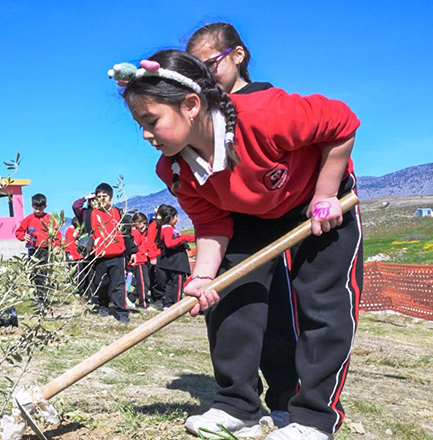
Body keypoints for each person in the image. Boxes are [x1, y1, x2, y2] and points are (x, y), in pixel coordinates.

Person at [117, 49, 361, 440]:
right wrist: (203, 277)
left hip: (317, 203)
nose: (146, 135)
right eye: (139, 125)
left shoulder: (263, 114)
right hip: (249, 214)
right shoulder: (174, 169)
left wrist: (326, 193)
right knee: (228, 293)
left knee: (322, 303)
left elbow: (342, 121)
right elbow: (211, 223)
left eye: (151, 121)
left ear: (191, 105)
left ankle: (315, 417)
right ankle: (237, 405)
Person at [188, 22, 296, 429]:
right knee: (232, 304)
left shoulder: (267, 102)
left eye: (210, 65)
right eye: (196, 71)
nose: (204, 77)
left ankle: (286, 398)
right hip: (235, 221)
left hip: (285, 215)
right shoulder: (202, 114)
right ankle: (237, 402)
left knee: (280, 313)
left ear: (238, 55)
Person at [73, 184, 130, 324]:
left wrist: (133, 251)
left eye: (104, 196)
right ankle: (103, 305)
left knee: (118, 284)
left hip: (117, 255)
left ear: (111, 197)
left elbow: (127, 234)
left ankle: (122, 311)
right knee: (101, 283)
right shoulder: (91, 214)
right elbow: (76, 208)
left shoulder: (118, 213)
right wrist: (87, 197)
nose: (101, 199)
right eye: (98, 197)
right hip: (100, 256)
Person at [15, 193, 61, 299]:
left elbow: (56, 234)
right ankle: (36, 292)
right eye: (35, 208)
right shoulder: (29, 218)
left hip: (46, 249)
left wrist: (57, 246)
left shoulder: (50, 219)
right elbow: (19, 231)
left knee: (43, 271)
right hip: (33, 249)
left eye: (40, 209)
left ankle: (43, 293)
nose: (37, 211)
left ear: (45, 207)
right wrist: (23, 236)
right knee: (34, 271)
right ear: (32, 206)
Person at [153, 205, 195, 309]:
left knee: (169, 283)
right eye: (176, 216)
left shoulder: (165, 228)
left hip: (169, 262)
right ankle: (177, 304)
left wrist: (195, 237)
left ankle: (168, 303)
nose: (177, 219)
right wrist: (182, 239)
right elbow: (169, 243)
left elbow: (181, 237)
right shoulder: (168, 229)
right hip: (176, 263)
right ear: (170, 217)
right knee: (177, 284)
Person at [128, 212, 152, 308]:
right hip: (138, 260)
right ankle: (144, 303)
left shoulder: (141, 233)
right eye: (141, 222)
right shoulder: (134, 233)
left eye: (145, 223)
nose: (144, 225)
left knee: (144, 283)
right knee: (143, 283)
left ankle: (131, 298)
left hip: (142, 259)